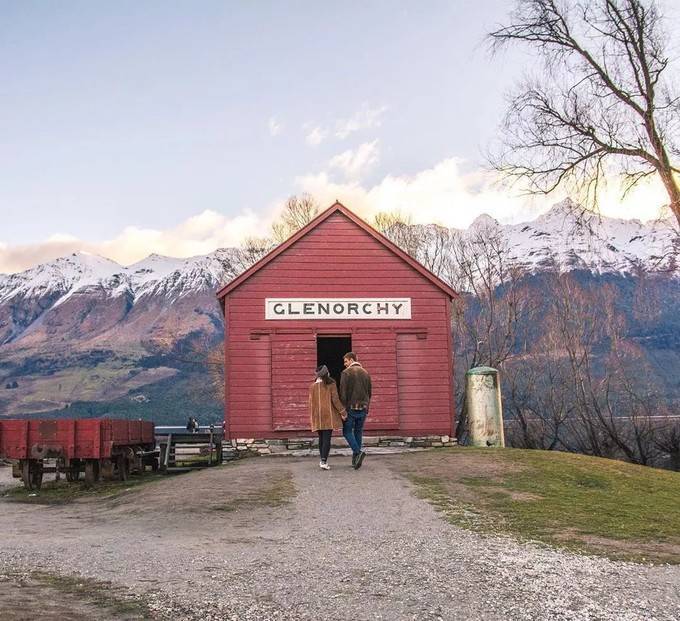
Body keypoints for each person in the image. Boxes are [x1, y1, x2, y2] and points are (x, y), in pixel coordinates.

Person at [308, 365, 346, 470]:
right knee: (326, 439)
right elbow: (335, 400)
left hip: (317, 415)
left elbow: (311, 403)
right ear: (326, 373)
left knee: (321, 438)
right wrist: (343, 412)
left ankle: (322, 459)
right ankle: (324, 461)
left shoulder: (312, 387)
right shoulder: (331, 384)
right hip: (328, 415)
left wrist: (312, 416)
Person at [339, 352, 372, 470]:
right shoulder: (366, 373)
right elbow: (369, 392)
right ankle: (355, 461)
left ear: (351, 360)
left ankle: (358, 452)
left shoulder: (346, 373)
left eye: (346, 361)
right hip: (363, 408)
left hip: (350, 408)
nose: (344, 364)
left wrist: (342, 411)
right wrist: (367, 407)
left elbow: (343, 393)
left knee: (347, 432)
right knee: (358, 432)